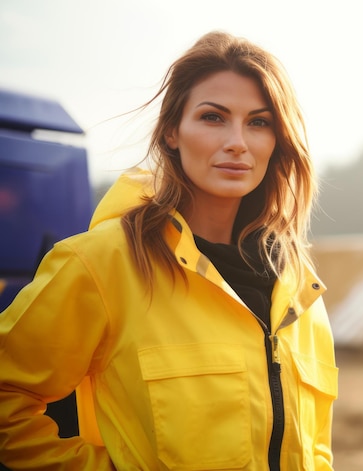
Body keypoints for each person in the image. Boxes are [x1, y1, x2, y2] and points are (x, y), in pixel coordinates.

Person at [0, 31, 338, 470]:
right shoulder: (101, 262)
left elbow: (316, 446)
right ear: (172, 133)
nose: (238, 141)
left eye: (259, 122)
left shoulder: (299, 286)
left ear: (277, 140)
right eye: (213, 117)